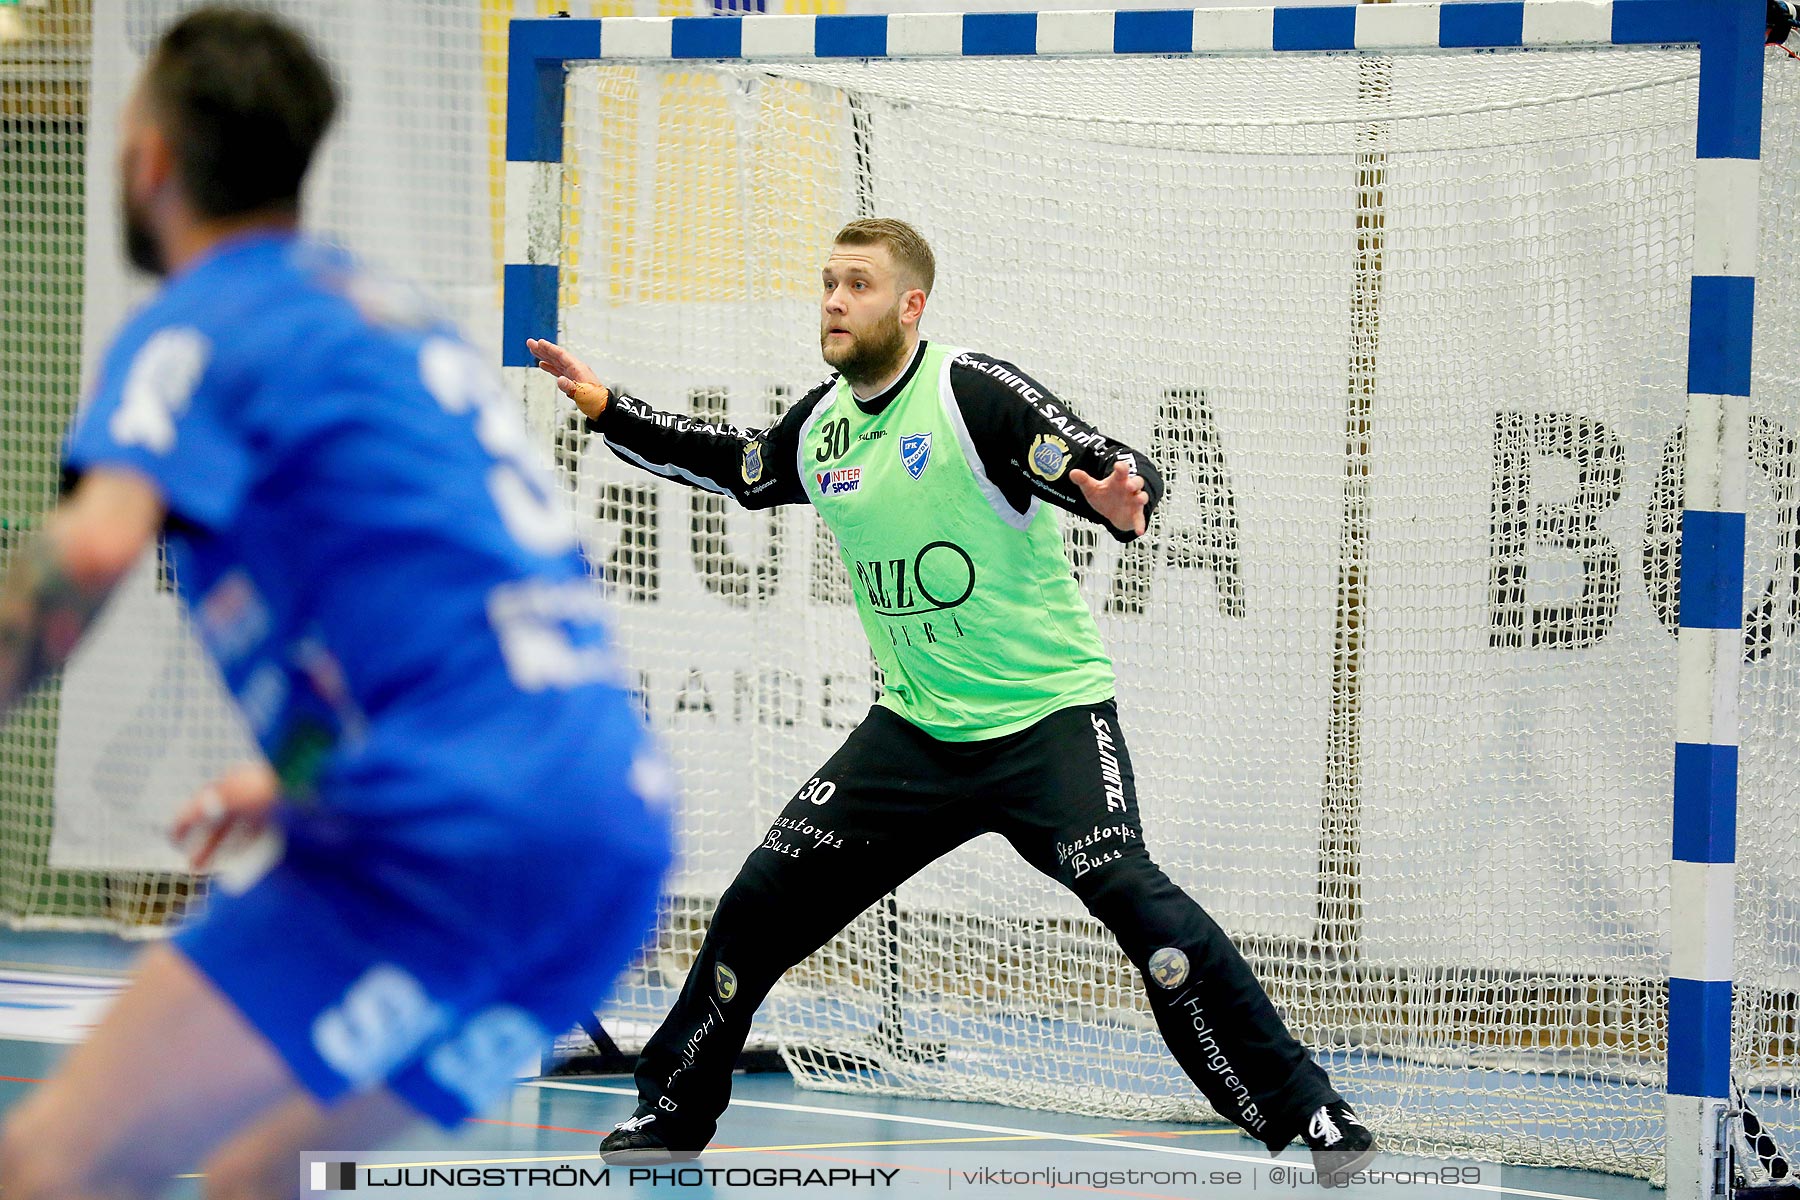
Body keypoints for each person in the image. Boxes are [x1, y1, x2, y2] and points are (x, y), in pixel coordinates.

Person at [527, 216, 1377, 1185]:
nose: (836, 302)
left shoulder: (968, 392)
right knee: (758, 904)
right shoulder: (827, 425)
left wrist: (1120, 488)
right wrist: (609, 408)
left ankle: (1310, 1114)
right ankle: (674, 1111)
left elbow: (1089, 454)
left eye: (858, 286)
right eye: (828, 284)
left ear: (910, 305)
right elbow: (740, 466)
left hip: (1046, 723)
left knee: (1140, 906)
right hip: (916, 735)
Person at [0, 9, 672, 1199]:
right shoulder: (381, 316)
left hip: (444, 829)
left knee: (53, 1165)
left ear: (148, 157)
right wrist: (300, 764)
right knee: (263, 1181)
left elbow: (89, 553)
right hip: (605, 842)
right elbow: (434, 603)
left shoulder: (203, 324)